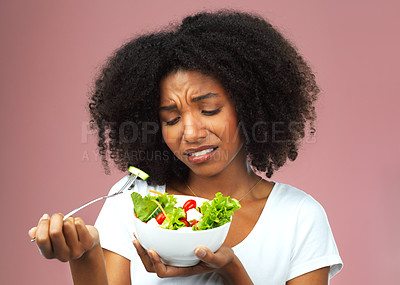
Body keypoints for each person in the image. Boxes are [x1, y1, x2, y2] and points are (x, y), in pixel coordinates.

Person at [29, 10, 343, 284]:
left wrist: (232, 271)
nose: (190, 133)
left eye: (209, 110)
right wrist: (83, 255)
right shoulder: (132, 202)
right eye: (172, 118)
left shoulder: (299, 217)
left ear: (249, 107)